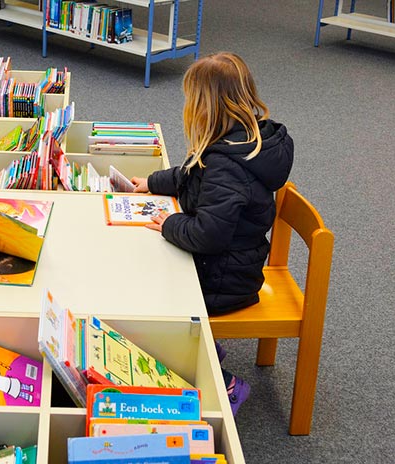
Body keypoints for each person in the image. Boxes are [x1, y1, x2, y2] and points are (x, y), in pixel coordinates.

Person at [131, 52, 294, 415]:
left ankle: (227, 384)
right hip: (228, 264)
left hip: (223, 279)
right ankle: (200, 345)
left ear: (205, 108)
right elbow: (191, 173)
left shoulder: (225, 164)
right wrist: (152, 182)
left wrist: (170, 225)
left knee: (146, 303)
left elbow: (208, 236)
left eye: (192, 100)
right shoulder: (235, 141)